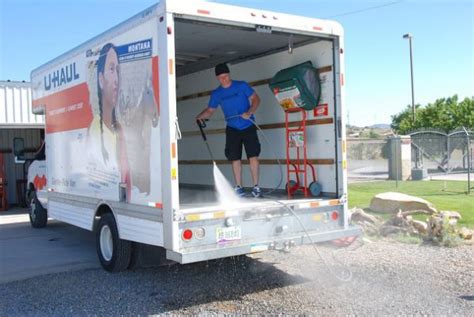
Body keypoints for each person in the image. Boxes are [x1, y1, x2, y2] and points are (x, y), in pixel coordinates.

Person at [196, 63, 262, 198]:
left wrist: (249, 112)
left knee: (253, 155)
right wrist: (199, 117)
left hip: (248, 125)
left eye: (225, 76)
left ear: (229, 74)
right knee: (235, 157)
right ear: (217, 78)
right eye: (220, 77)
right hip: (232, 128)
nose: (223, 79)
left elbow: (256, 99)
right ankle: (239, 187)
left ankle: (256, 187)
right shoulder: (217, 93)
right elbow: (210, 111)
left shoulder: (241, 85)